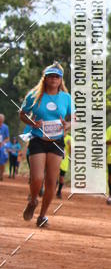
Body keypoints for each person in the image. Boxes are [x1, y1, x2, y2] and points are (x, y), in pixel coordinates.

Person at [19, 63, 72, 228]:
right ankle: (33, 199)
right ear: (45, 78)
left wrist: (67, 125)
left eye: (57, 76)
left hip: (56, 142)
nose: (53, 79)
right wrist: (32, 122)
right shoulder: (35, 95)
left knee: (51, 182)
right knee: (37, 178)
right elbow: (22, 114)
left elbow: (74, 119)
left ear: (60, 79)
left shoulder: (66, 98)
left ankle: (42, 216)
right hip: (38, 140)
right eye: (50, 76)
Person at [56, 131, 72, 198]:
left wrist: (69, 145)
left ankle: (59, 192)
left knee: (61, 177)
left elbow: (72, 152)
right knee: (54, 175)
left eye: (66, 130)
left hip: (64, 161)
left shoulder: (70, 138)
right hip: (56, 158)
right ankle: (50, 190)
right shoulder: (57, 136)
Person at [0, 114, 9, 180]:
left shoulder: (5, 127)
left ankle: (1, 175)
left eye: (1, 120)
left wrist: (3, 143)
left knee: (2, 161)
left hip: (2, 145)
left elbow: (7, 138)